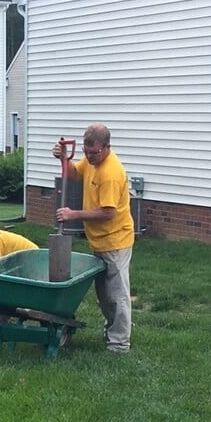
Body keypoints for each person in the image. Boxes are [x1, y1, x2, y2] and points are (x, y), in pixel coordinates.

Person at [52, 123, 134, 352]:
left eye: (94, 153)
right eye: (86, 153)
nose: (90, 157)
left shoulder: (111, 173)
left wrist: (73, 214)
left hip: (115, 240)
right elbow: (75, 175)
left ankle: (119, 344)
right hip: (98, 240)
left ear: (107, 147)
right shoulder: (92, 160)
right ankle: (113, 332)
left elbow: (108, 213)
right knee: (105, 296)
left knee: (117, 296)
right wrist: (64, 160)